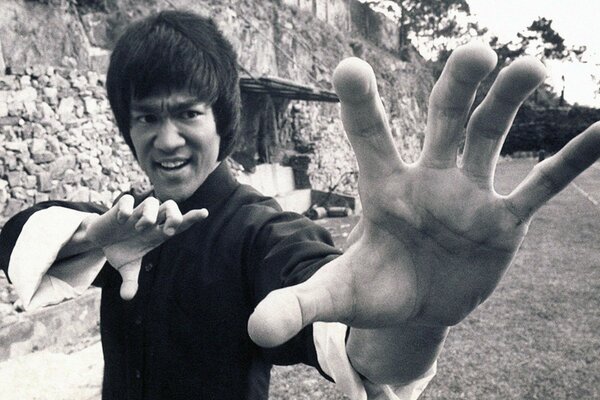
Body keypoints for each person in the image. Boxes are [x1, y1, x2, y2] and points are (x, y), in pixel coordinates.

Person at [1, 9, 598, 400]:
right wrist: (91, 239)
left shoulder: (262, 231)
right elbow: (19, 236)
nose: (166, 138)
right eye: (147, 117)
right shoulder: (126, 223)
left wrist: (418, 318)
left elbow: (342, 321)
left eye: (187, 113)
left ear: (224, 119)